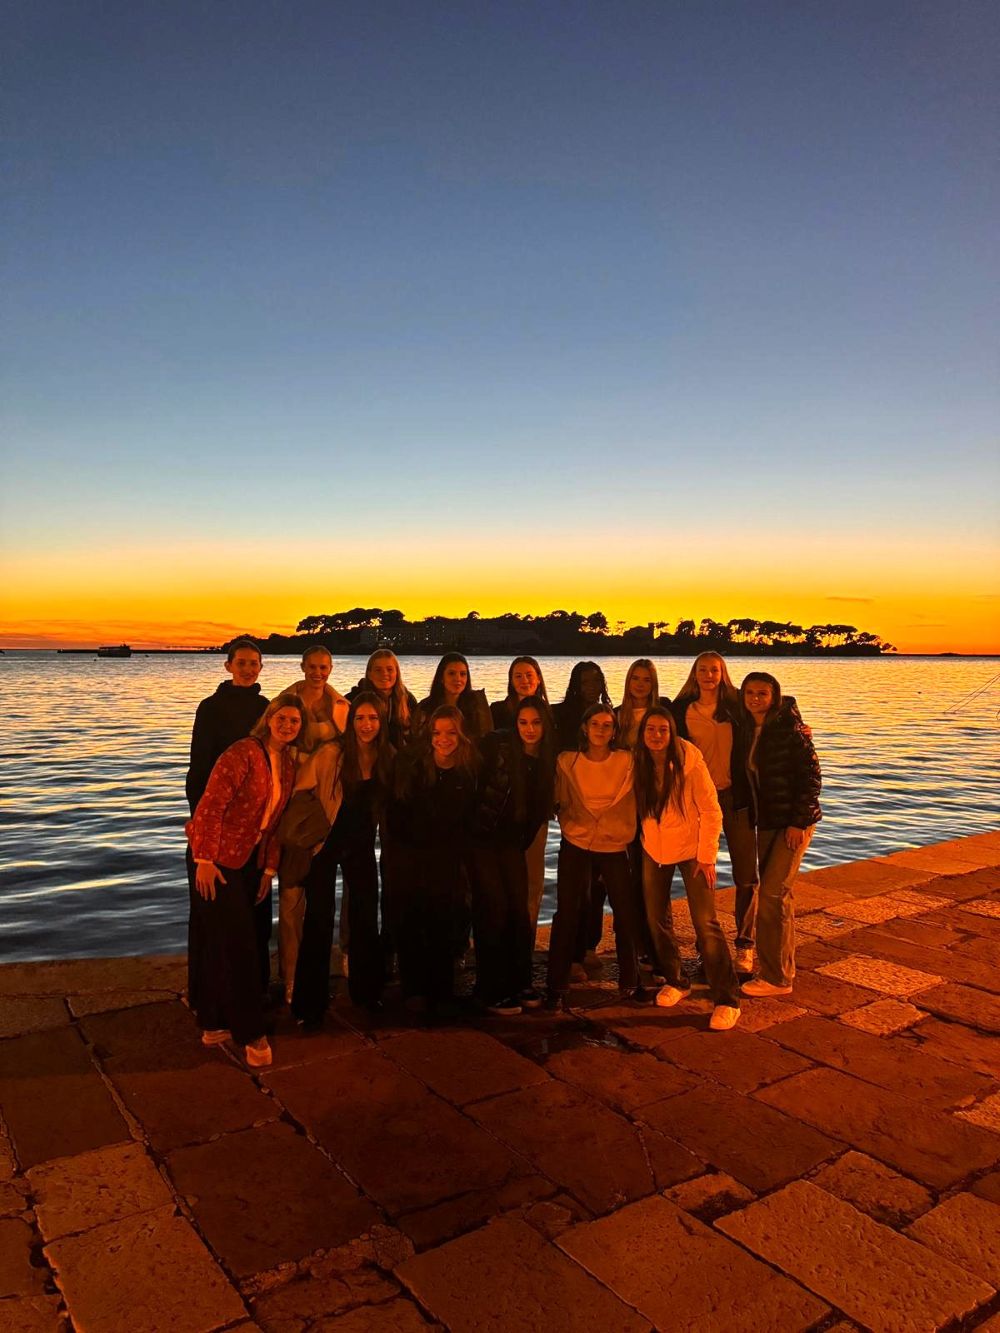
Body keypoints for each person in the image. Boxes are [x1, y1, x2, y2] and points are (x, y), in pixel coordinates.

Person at [187, 692, 306, 1066]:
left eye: (294, 721)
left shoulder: (286, 765)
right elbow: (210, 806)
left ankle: (213, 1022)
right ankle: (251, 1034)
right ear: (269, 718)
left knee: (224, 942)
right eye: (281, 718)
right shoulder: (242, 752)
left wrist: (268, 870)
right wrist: (204, 859)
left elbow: (273, 826)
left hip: (248, 862)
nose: (287, 725)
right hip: (215, 860)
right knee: (238, 946)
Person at [633, 707, 741, 1030]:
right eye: (650, 729)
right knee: (656, 919)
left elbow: (711, 810)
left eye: (662, 729)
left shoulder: (689, 761)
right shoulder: (637, 762)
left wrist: (707, 856)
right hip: (654, 849)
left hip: (693, 849)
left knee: (705, 922)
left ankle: (727, 999)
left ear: (672, 731)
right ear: (642, 733)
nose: (656, 735)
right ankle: (676, 980)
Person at [290, 692, 395, 1025]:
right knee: (319, 919)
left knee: (365, 916)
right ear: (351, 722)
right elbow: (300, 789)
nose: (366, 725)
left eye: (373, 718)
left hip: (360, 845)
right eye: (360, 718)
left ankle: (367, 992)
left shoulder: (387, 757)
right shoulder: (332, 753)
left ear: (382, 722)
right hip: (325, 843)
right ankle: (309, 1005)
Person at [185, 639, 271, 1019]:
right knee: (211, 919)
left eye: (254, 663)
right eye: (242, 663)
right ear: (228, 666)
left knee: (254, 918)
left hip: (253, 830)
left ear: (261, 668)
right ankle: (207, 998)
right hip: (215, 825)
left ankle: (254, 991)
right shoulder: (211, 708)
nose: (248, 669)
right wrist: (201, 828)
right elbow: (198, 769)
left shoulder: (267, 709)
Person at [545, 704, 648, 1009]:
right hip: (576, 843)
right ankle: (556, 986)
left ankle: (631, 981)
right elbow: (558, 799)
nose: (600, 730)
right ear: (584, 727)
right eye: (595, 724)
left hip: (615, 846)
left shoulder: (627, 761)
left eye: (607, 725)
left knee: (625, 913)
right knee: (567, 913)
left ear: (614, 731)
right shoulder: (568, 761)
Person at [385, 706, 478, 1016]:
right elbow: (397, 814)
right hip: (412, 857)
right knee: (412, 921)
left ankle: (442, 990)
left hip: (448, 859)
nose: (443, 739)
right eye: (437, 733)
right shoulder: (412, 767)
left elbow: (469, 818)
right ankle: (414, 990)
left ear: (461, 735)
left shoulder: (467, 770)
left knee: (444, 922)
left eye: (450, 732)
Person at [671, 652, 758, 973]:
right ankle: (705, 945)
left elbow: (777, 706)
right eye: (703, 670)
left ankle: (745, 945)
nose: (709, 675)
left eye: (715, 670)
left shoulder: (737, 708)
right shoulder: (681, 710)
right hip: (697, 800)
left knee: (746, 875)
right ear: (694, 674)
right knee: (702, 872)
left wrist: (799, 725)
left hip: (735, 797)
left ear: (723, 674)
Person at [469, 696, 556, 1014]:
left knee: (519, 913)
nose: (529, 729)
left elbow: (537, 813)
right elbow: (474, 783)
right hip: (482, 841)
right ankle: (489, 989)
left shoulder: (546, 762)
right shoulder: (500, 748)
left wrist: (520, 842)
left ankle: (520, 981)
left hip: (512, 845)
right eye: (523, 722)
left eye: (536, 723)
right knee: (493, 911)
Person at [738, 672, 822, 998]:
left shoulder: (790, 730)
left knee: (774, 895)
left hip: (793, 824)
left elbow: (811, 777)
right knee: (776, 896)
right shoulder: (746, 728)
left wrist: (798, 823)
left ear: (774, 696)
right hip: (766, 823)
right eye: (750, 693)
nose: (755, 698)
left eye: (762, 693)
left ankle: (778, 978)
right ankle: (779, 968)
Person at [276, 645, 351, 1000]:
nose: (318, 673)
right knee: (291, 892)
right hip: (292, 802)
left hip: (326, 806)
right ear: (302, 666)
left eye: (324, 667)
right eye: (312, 666)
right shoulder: (285, 702)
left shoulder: (340, 706)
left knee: (322, 894)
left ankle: (330, 963)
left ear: (331, 668)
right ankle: (291, 976)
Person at [553, 661, 614, 979]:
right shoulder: (562, 714)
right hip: (575, 810)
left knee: (598, 885)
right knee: (575, 886)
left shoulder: (608, 714)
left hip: (604, 814)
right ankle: (571, 954)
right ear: (576, 683)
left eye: (596, 680)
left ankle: (589, 945)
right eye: (585, 680)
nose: (591, 685)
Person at [489, 656, 552, 944]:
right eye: (518, 675)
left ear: (538, 678)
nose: (524, 680)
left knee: (533, 880)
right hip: (502, 809)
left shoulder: (549, 715)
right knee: (502, 883)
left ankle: (526, 941)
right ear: (510, 680)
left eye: (529, 675)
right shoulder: (498, 712)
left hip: (536, 808)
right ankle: (504, 941)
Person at [349, 650, 418, 750]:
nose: (384, 673)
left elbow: (416, 734)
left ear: (397, 673)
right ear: (369, 674)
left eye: (389, 669)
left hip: (399, 756)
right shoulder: (355, 698)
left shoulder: (407, 699)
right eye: (378, 670)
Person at [415, 653, 492, 741]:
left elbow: (487, 737)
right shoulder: (425, 707)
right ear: (441, 678)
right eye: (451, 673)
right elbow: (417, 740)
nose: (458, 679)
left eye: (463, 674)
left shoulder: (477, 703)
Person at [616, 658, 670, 747]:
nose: (640, 684)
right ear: (628, 681)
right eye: (635, 678)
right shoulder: (616, 713)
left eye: (647, 680)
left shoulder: (665, 707)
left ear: (653, 684)